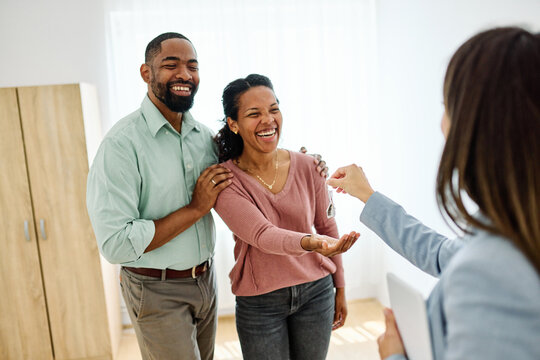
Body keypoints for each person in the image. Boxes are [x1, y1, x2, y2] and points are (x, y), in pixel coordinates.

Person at [87, 33, 329, 360]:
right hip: (156, 288)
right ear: (146, 73)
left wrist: (303, 161)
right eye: (171, 65)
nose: (184, 74)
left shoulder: (204, 139)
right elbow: (115, 243)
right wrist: (194, 209)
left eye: (192, 66)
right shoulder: (121, 145)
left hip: (205, 281)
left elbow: (251, 154)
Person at [327, 27, 540, 360]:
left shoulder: (491, 272)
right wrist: (368, 195)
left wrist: (395, 355)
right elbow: (443, 253)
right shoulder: (516, 220)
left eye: (448, 106)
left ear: (479, 123)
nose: (442, 124)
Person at [213, 74, 360, 360]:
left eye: (273, 109)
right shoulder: (224, 180)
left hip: (316, 291)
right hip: (260, 302)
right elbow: (262, 235)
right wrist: (314, 243)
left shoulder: (309, 165)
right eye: (254, 114)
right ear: (233, 124)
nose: (267, 120)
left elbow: (326, 224)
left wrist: (339, 286)